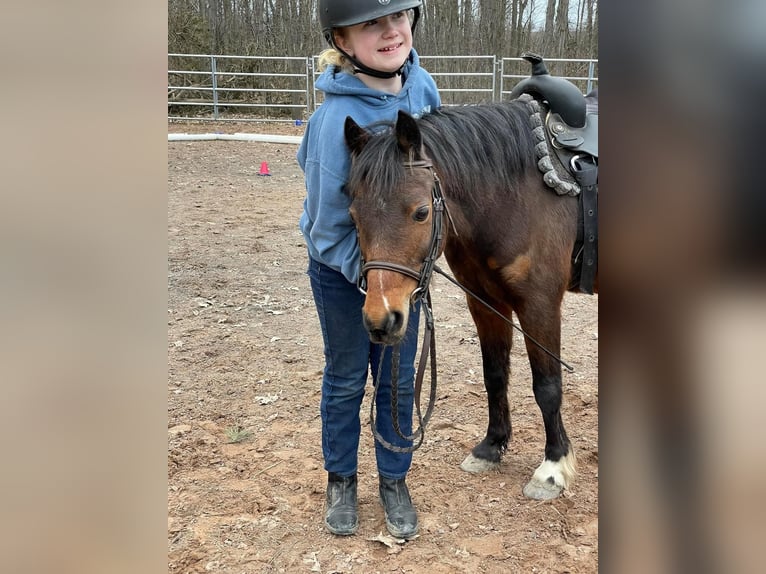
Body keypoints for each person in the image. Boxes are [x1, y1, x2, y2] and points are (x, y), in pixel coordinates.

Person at [297, 0, 441, 539]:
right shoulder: (334, 121)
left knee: (398, 381)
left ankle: (394, 480)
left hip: (402, 273)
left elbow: (435, 179)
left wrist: (413, 264)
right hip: (344, 276)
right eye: (372, 23)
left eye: (399, 16)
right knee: (346, 378)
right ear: (342, 38)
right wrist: (375, 281)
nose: (391, 31)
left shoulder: (423, 90)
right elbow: (327, 227)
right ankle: (341, 479)